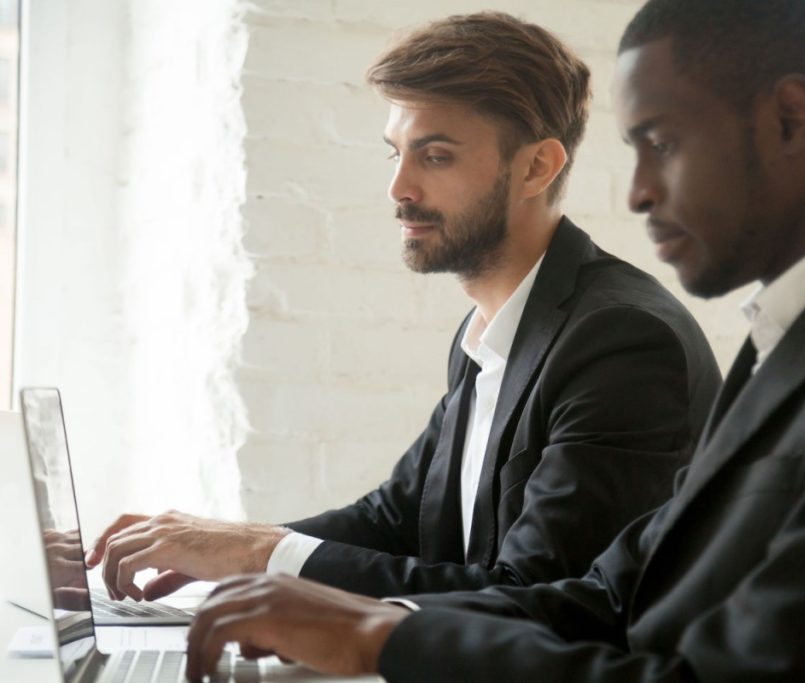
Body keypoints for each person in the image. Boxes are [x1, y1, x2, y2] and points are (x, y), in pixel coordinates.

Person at [180, 1, 805, 681]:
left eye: (662, 143)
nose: (640, 192)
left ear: (791, 116)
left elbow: (736, 671)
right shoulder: (803, 334)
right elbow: (612, 591)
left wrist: (380, 643)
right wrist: (364, 618)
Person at [86, 12, 721, 605]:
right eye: (397, 152)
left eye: (435, 155)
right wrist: (215, 547)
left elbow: (531, 594)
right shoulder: (493, 333)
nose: (399, 188)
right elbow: (398, 517)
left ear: (536, 167)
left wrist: (262, 555)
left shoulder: (622, 341)